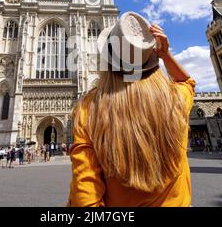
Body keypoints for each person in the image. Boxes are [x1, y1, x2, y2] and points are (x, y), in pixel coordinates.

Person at [67, 13, 196, 207]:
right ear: (150, 60)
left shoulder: (89, 108)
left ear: (108, 60)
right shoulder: (175, 99)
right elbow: (186, 82)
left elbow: (86, 197)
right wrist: (165, 54)